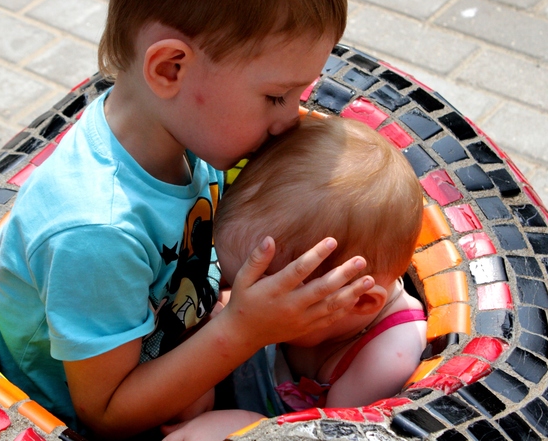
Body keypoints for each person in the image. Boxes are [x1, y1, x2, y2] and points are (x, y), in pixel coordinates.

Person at [0, 0, 370, 438]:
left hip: (187, 348)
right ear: (170, 68)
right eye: (276, 96)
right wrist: (244, 329)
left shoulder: (185, 132)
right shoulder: (97, 230)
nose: (291, 117)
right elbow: (107, 414)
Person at [163, 116, 427, 441]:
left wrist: (243, 426)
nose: (244, 295)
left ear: (359, 301)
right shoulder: (328, 310)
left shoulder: (384, 361)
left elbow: (325, 436)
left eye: (260, 288)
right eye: (236, 280)